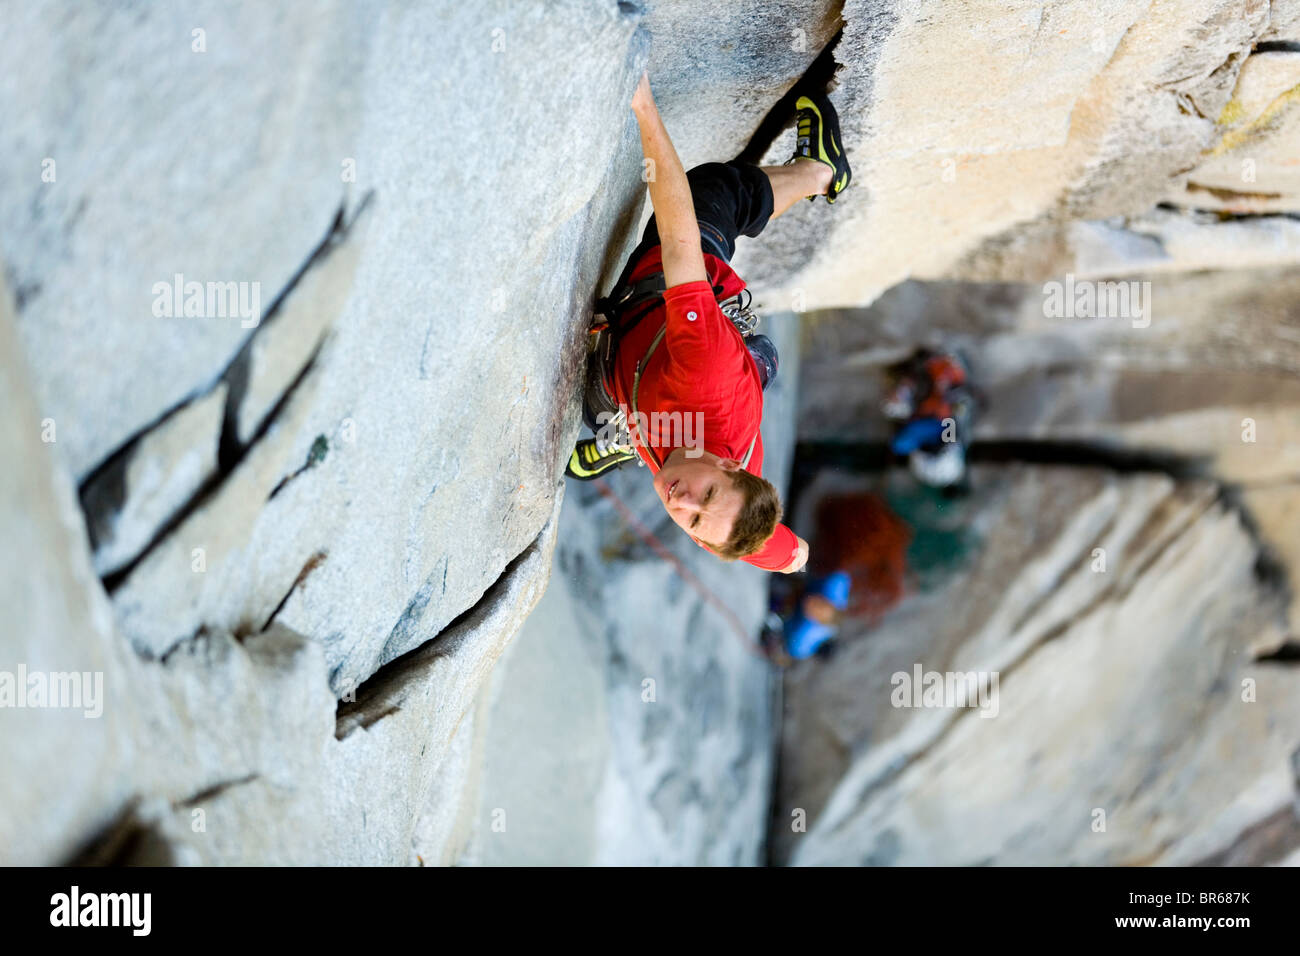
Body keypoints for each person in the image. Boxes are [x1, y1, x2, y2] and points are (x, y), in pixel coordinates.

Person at [564, 72, 852, 574]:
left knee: (596, 407)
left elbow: (789, 555)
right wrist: (643, 105)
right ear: (728, 466)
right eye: (707, 493)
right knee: (717, 191)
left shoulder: (725, 527)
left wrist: (799, 558)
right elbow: (680, 243)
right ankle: (819, 173)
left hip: (644, 388)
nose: (682, 504)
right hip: (692, 321)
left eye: (694, 522)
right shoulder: (707, 374)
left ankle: (626, 436)